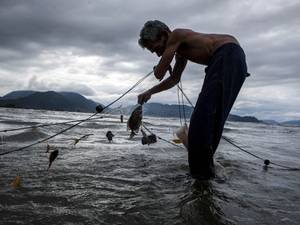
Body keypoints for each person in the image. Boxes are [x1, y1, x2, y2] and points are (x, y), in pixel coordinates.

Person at [137, 20, 249, 180]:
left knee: (201, 122)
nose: (157, 53)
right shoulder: (180, 50)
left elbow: (159, 73)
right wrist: (150, 92)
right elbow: (174, 79)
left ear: (163, 35)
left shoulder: (176, 34)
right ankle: (206, 177)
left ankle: (201, 178)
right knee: (212, 122)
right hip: (230, 61)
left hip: (227, 54)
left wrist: (160, 66)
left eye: (155, 48)